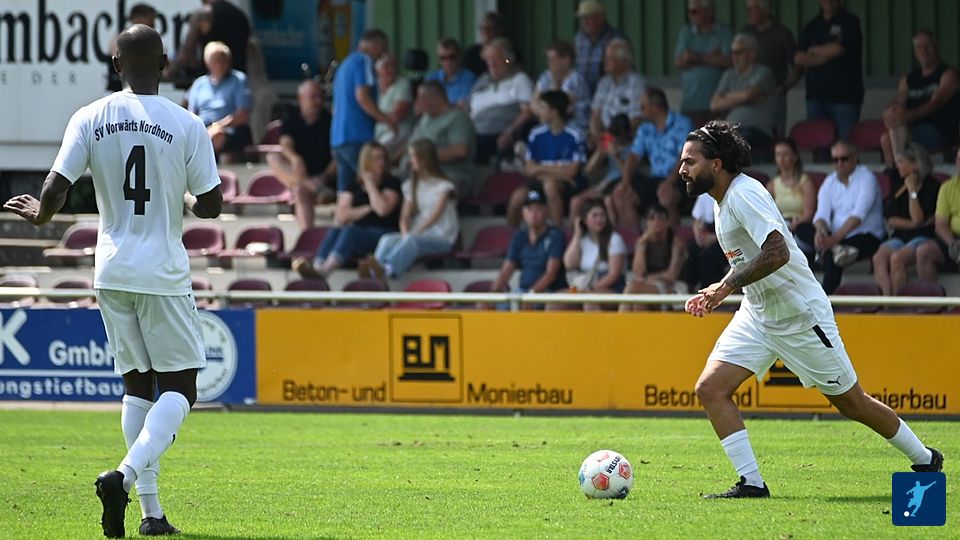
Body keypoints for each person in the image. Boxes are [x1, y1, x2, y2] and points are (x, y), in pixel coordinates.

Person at [4, 25, 223, 537]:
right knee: (181, 389)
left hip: (111, 269)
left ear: (116, 64)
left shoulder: (89, 116)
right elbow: (213, 206)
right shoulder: (187, 122)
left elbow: (55, 185)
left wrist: (40, 216)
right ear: (165, 64)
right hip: (161, 272)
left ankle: (151, 513)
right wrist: (185, 197)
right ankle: (122, 477)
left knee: (136, 389)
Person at [679, 120, 942, 499]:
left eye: (689, 161)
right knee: (710, 388)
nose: (682, 169)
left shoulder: (744, 195)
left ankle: (925, 458)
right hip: (758, 313)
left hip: (800, 317)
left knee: (852, 403)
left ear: (716, 164)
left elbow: (778, 252)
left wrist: (726, 286)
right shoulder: (720, 202)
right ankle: (752, 483)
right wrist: (723, 288)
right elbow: (748, 259)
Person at [293, 142, 402, 278]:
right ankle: (317, 265)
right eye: (376, 159)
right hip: (359, 232)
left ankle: (326, 270)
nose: (381, 162)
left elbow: (382, 209)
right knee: (337, 229)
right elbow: (340, 216)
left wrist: (370, 184)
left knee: (351, 231)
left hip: (383, 233)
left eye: (383, 158)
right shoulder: (354, 186)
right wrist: (368, 208)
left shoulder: (392, 183)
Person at [360, 139, 458, 281]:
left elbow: (435, 215)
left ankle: (387, 270)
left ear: (423, 160)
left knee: (412, 240)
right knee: (387, 239)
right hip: (418, 233)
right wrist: (405, 232)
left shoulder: (444, 186)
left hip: (442, 236)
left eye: (412, 157)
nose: (409, 161)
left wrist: (413, 233)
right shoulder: (410, 185)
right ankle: (373, 272)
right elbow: (404, 215)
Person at [615, 87, 692, 229]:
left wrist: (669, 182)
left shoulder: (682, 123)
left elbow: (685, 157)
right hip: (654, 179)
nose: (640, 111)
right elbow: (633, 156)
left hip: (679, 178)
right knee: (623, 195)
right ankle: (636, 241)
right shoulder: (645, 128)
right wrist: (626, 182)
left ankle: (673, 239)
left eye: (643, 107)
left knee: (666, 194)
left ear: (655, 107)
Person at [506, 90, 587, 228]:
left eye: (543, 107)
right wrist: (556, 169)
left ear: (554, 112)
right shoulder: (536, 133)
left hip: (568, 185)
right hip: (540, 180)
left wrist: (540, 168)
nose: (538, 111)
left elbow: (572, 172)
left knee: (550, 186)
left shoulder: (575, 134)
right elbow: (529, 170)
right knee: (517, 197)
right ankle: (511, 236)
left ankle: (557, 232)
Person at [813, 141, 885, 294]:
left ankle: (826, 298)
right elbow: (821, 214)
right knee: (804, 230)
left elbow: (858, 215)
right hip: (838, 237)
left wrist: (833, 239)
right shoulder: (829, 181)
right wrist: (820, 231)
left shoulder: (867, 178)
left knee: (833, 255)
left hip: (866, 235)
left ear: (855, 158)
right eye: (835, 159)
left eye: (844, 158)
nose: (840, 163)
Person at [881, 30, 960, 163]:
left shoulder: (948, 74)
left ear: (936, 47)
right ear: (915, 52)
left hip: (939, 130)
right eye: (919, 47)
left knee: (898, 134)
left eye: (928, 45)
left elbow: (936, 102)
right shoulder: (908, 79)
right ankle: (897, 171)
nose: (923, 50)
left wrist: (908, 116)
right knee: (886, 138)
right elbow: (899, 101)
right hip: (912, 129)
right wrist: (890, 111)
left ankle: (904, 170)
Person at [266, 79, 336, 231]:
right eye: (313, 96)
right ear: (301, 98)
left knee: (299, 188)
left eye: (319, 96)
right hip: (301, 173)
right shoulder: (291, 118)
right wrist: (295, 158)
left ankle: (306, 235)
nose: (317, 101)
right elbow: (285, 143)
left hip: (325, 177)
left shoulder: (329, 120)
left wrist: (324, 177)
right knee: (273, 158)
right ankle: (307, 235)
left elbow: (337, 156)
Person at [872, 143, 940, 296]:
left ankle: (899, 304)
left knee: (897, 258)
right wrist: (913, 224)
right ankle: (885, 301)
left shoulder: (932, 186)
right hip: (900, 236)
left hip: (923, 237)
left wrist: (912, 191)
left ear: (915, 164)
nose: (898, 167)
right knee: (878, 258)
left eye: (902, 162)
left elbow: (918, 217)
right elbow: (891, 219)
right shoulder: (898, 183)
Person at [331, 29, 392, 193]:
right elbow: (362, 96)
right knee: (370, 182)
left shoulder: (345, 64)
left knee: (346, 191)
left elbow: (335, 107)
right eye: (383, 49)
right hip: (357, 134)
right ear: (376, 45)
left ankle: (344, 210)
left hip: (338, 137)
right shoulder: (363, 61)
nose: (383, 54)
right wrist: (386, 120)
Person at [795, 0, 864, 141]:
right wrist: (825, 57)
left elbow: (839, 48)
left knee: (845, 144)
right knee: (817, 144)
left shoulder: (850, 22)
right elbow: (798, 58)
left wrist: (814, 51)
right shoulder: (812, 25)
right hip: (816, 98)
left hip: (845, 98)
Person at [399, 81, 477, 198]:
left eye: (421, 98)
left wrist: (424, 157)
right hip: (416, 172)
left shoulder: (457, 118)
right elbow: (410, 145)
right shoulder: (425, 118)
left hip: (450, 174)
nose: (417, 102)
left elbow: (460, 151)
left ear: (435, 98)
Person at [491, 185, 569, 296]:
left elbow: (551, 273)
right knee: (496, 304)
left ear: (546, 211)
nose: (533, 214)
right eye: (529, 209)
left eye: (538, 209)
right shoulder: (519, 236)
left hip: (549, 293)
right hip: (523, 291)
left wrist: (531, 295)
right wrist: (492, 294)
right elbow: (506, 269)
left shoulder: (556, 235)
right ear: (523, 212)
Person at [468, 37, 534, 166]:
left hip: (500, 134)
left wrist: (510, 132)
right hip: (474, 134)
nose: (491, 63)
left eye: (496, 58)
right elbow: (468, 109)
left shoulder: (519, 79)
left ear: (508, 60)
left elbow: (527, 112)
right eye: (488, 59)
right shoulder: (482, 81)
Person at [709, 33, 777, 158]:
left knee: (731, 144)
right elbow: (714, 105)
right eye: (732, 52)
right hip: (732, 130)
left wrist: (727, 96)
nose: (734, 56)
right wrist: (741, 97)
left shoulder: (764, 72)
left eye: (739, 52)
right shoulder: (729, 74)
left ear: (752, 54)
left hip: (758, 130)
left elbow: (748, 95)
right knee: (707, 142)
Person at [741, 0, 801, 136]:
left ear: (765, 10)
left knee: (774, 136)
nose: (748, 13)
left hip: (773, 96)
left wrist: (785, 87)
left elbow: (798, 67)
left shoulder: (782, 33)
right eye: (747, 9)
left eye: (753, 9)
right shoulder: (746, 32)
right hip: (748, 95)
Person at [185, 41, 252, 162]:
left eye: (223, 59)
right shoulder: (199, 84)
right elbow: (191, 114)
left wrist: (217, 126)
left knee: (216, 135)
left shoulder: (238, 80)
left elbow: (243, 115)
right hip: (202, 129)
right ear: (207, 62)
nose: (220, 64)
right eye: (215, 60)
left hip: (230, 130)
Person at [620, 204, 689, 312]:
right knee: (638, 304)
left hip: (673, 287)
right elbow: (638, 273)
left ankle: (619, 321)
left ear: (667, 222)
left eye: (660, 218)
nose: (656, 222)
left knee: (632, 288)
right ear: (646, 223)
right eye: (652, 218)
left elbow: (671, 276)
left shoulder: (676, 243)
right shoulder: (642, 242)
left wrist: (647, 278)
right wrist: (641, 245)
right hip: (648, 285)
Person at [674, 0, 733, 126]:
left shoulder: (724, 32)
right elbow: (679, 62)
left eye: (694, 12)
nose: (690, 15)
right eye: (689, 12)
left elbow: (728, 61)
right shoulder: (686, 32)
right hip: (690, 103)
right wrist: (712, 58)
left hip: (716, 104)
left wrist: (696, 57)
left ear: (708, 11)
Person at [563, 199, 627, 310]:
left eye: (602, 215)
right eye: (595, 216)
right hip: (584, 286)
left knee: (590, 301)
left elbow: (613, 275)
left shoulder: (614, 239)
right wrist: (577, 235)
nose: (599, 219)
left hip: (610, 289)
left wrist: (590, 289)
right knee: (554, 301)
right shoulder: (582, 240)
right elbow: (569, 264)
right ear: (584, 220)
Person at [166, 0, 250, 80]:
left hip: (212, 80)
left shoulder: (203, 14)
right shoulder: (241, 15)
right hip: (237, 79)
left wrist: (169, 72)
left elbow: (186, 53)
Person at [575, 113, 632, 221]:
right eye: (614, 135)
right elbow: (588, 171)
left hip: (622, 183)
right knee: (576, 201)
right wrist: (600, 151)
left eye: (619, 135)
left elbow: (628, 174)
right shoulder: (609, 143)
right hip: (606, 183)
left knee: (608, 201)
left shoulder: (634, 147)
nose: (616, 139)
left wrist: (617, 156)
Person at [589, 38, 645, 146]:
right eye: (605, 57)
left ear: (623, 61)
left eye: (609, 58)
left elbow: (635, 120)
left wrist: (612, 138)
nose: (604, 61)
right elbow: (595, 114)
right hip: (603, 138)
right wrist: (596, 134)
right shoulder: (604, 82)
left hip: (625, 139)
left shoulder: (635, 83)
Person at [766, 138, 816, 261]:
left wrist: (793, 225)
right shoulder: (772, 184)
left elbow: (808, 214)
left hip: (800, 226)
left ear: (795, 157)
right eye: (778, 154)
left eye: (785, 154)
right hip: (780, 227)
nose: (781, 158)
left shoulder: (805, 182)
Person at [916, 149, 960, 285]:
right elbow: (940, 224)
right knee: (924, 251)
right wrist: (953, 244)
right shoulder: (947, 188)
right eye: (959, 159)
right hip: (954, 240)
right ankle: (929, 296)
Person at [533, 40, 591, 135]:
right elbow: (534, 103)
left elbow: (560, 107)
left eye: (553, 59)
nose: (549, 63)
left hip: (574, 125)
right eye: (548, 59)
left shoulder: (576, 79)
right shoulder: (546, 76)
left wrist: (555, 83)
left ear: (566, 60)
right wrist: (543, 110)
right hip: (550, 124)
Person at [573, 0, 624, 94]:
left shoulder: (615, 38)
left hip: (607, 93)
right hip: (581, 94)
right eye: (582, 18)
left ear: (600, 17)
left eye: (589, 18)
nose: (585, 22)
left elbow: (623, 70)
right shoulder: (579, 38)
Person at [107, 4, 157, 92]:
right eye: (151, 21)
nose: (153, 25)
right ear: (138, 19)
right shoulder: (121, 39)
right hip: (118, 91)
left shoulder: (151, 40)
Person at [374, 53, 415, 156]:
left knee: (376, 151)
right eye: (386, 66)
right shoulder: (373, 85)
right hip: (377, 131)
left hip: (398, 130)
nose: (392, 70)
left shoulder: (402, 83)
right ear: (377, 68)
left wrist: (372, 116)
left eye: (394, 66)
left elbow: (397, 115)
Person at [688, 192, 728, 291]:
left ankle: (713, 290)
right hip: (707, 234)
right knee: (692, 251)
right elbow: (696, 219)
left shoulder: (731, 194)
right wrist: (699, 237)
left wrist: (714, 238)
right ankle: (691, 288)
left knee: (707, 257)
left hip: (724, 238)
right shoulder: (704, 194)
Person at [424, 38, 476, 107]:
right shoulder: (431, 78)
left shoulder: (469, 78)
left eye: (451, 57)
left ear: (459, 56)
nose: (447, 62)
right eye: (443, 58)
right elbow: (423, 105)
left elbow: (463, 105)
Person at [463, 12, 507, 77]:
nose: (485, 31)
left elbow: (510, 64)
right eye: (482, 28)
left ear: (499, 30)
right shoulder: (471, 53)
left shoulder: (507, 51)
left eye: (489, 28)